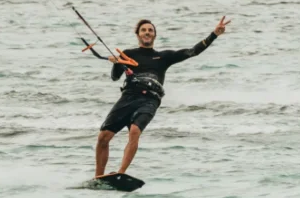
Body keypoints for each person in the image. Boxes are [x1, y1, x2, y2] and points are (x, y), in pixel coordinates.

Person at [95, 16, 230, 177]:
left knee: (135, 131)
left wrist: (214, 34)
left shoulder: (163, 57)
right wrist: (117, 63)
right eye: (143, 30)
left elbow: (192, 51)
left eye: (150, 30)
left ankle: (121, 173)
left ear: (154, 35)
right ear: (138, 34)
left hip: (150, 99)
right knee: (103, 137)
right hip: (128, 97)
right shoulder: (127, 54)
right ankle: (98, 177)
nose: (147, 32)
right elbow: (115, 77)